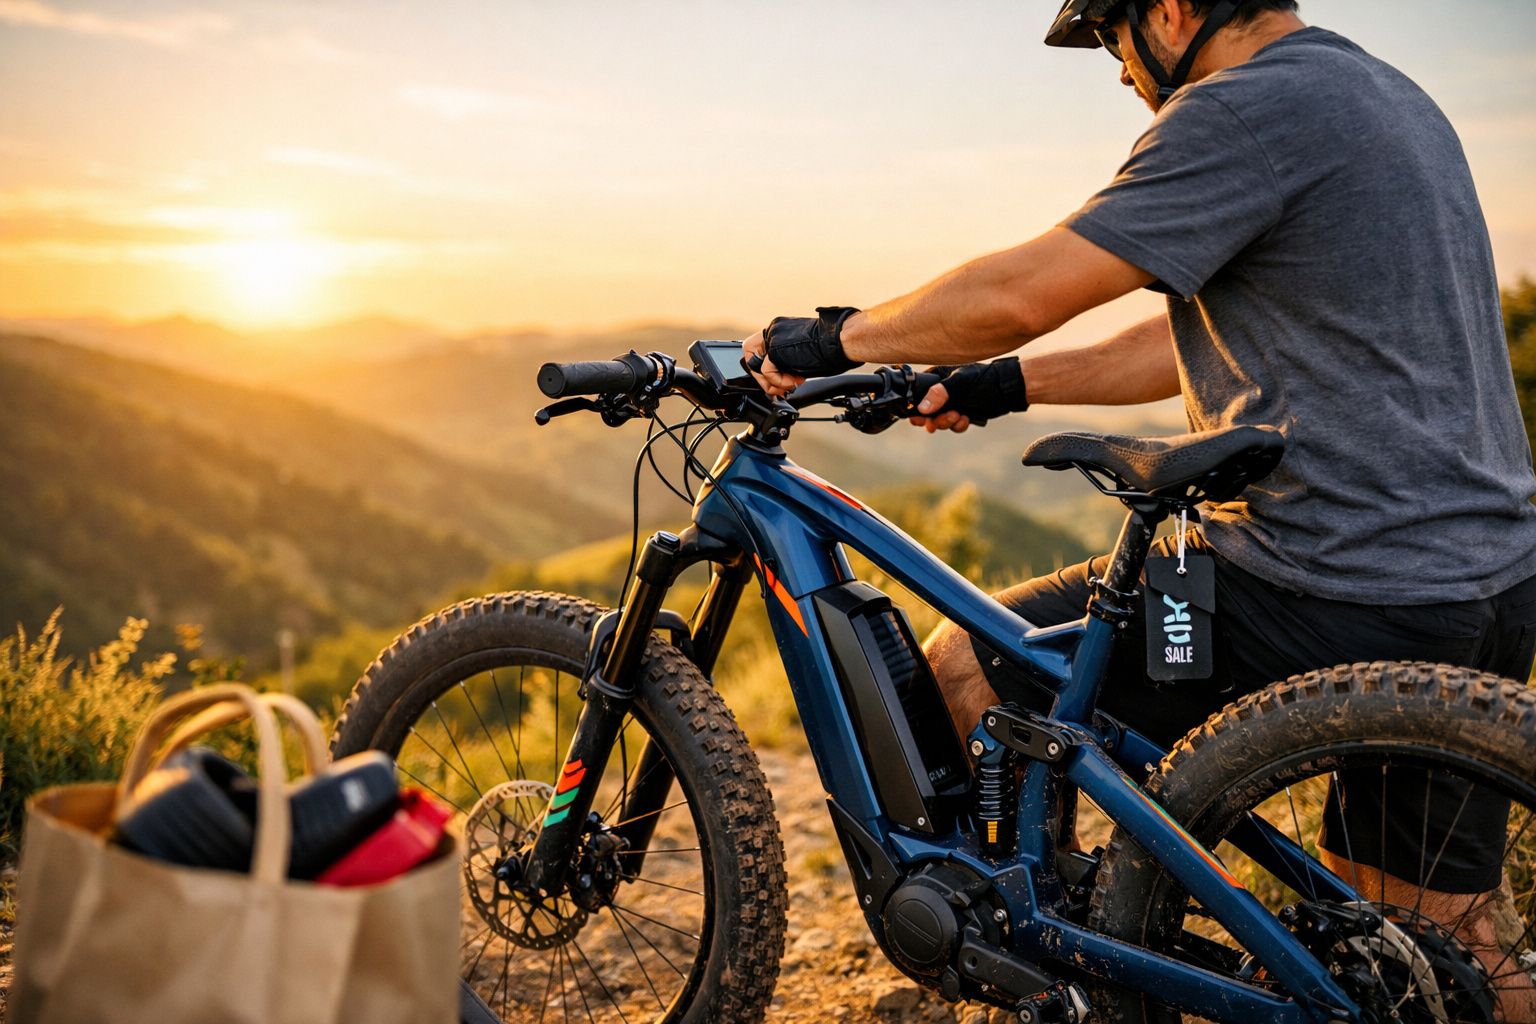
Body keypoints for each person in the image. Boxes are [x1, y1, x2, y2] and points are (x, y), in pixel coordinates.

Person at [743, 0, 1536, 1010]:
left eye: (1115, 40)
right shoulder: (1389, 99)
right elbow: (1205, 338)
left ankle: (1072, 974)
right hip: (1483, 582)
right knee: (1448, 938)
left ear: (1169, 10)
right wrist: (1000, 384)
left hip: (1317, 581)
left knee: (978, 671)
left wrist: (840, 338)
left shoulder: (1240, 109)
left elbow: (1026, 288)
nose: (1120, 72)